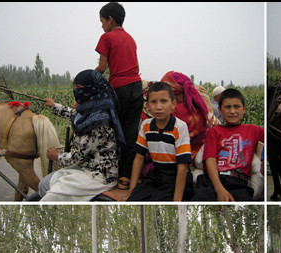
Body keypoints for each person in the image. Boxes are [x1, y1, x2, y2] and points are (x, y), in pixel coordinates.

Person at [40, 70, 124, 201]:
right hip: (86, 166)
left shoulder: (100, 121)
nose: (76, 91)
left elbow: (80, 155)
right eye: (74, 88)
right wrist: (54, 106)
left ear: (93, 89)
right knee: (44, 184)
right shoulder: (91, 110)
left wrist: (58, 156)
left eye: (79, 88)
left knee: (50, 197)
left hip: (99, 175)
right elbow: (74, 115)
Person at [95, 2, 144, 192]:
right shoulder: (131, 39)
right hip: (136, 87)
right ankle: (125, 177)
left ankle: (109, 174)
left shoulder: (106, 37)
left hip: (120, 88)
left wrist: (84, 79)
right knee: (131, 132)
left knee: (114, 132)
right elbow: (137, 67)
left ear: (110, 19)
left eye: (102, 21)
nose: (101, 26)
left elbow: (101, 67)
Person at [123, 82, 192, 201]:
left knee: (158, 201)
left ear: (173, 104)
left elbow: (182, 167)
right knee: (134, 200)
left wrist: (177, 201)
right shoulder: (146, 126)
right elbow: (139, 158)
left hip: (176, 177)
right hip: (156, 175)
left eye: (164, 101)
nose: (158, 107)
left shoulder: (179, 127)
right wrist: (131, 191)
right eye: (153, 102)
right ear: (148, 105)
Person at [192, 88, 264, 201]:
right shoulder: (214, 131)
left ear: (244, 109)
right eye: (227, 107)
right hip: (212, 181)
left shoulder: (253, 130)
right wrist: (219, 189)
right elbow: (210, 160)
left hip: (239, 183)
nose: (232, 111)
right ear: (220, 110)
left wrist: (264, 158)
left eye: (237, 107)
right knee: (200, 198)